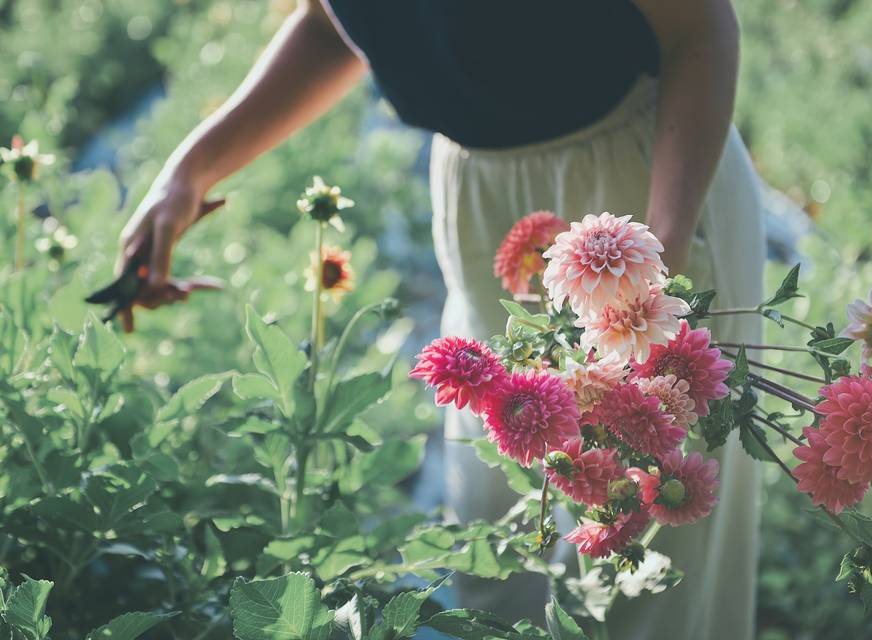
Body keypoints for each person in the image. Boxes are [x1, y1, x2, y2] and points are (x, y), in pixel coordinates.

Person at [117, 1, 765, 638]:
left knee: (642, 575)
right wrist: (191, 169)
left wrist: (660, 259)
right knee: (501, 555)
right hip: (478, 200)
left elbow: (698, 26)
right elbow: (332, 24)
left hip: (643, 181)